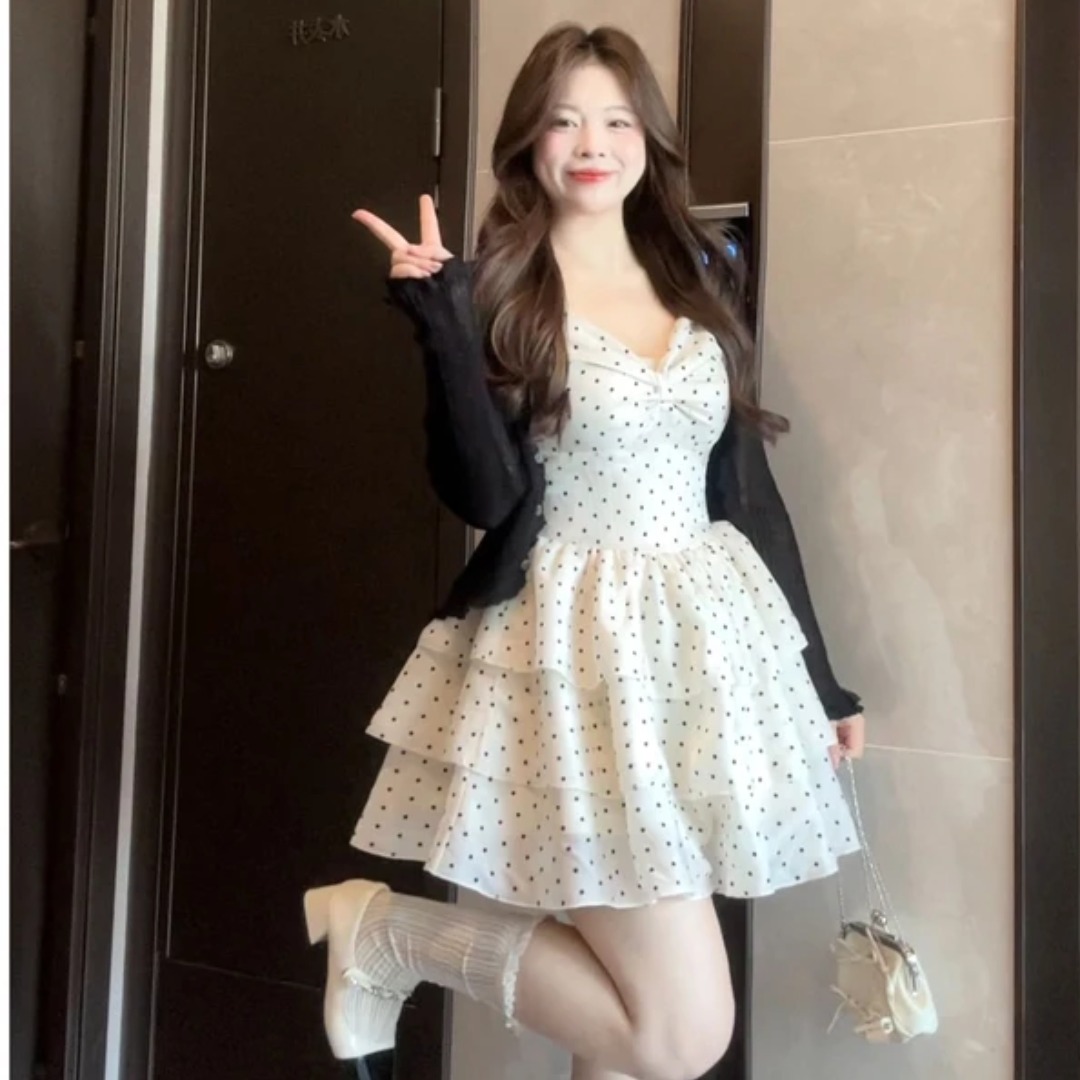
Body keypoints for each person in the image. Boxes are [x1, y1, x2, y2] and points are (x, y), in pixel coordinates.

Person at [304, 23, 866, 1080]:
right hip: (571, 658)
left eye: (616, 120)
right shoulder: (497, 287)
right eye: (564, 121)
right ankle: (386, 934)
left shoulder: (699, 273)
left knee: (624, 1026)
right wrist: (443, 326)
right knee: (679, 1034)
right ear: (530, 142)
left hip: (698, 656)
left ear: (649, 139)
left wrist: (821, 680)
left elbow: (745, 490)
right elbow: (484, 496)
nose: (593, 143)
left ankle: (384, 934)